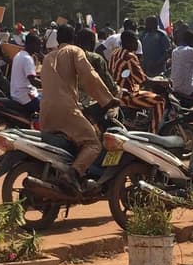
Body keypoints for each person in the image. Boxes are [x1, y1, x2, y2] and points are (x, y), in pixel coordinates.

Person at [41, 24, 119, 192]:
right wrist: (107, 100)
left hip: (45, 111)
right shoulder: (75, 51)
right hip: (67, 110)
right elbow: (89, 76)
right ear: (74, 38)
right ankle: (73, 174)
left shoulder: (47, 58)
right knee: (94, 144)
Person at [110, 30, 164, 132]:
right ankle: (153, 132)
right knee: (160, 101)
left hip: (116, 91)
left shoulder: (115, 52)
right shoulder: (130, 57)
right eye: (135, 41)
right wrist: (162, 82)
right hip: (127, 95)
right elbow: (143, 81)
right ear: (128, 42)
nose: (137, 43)